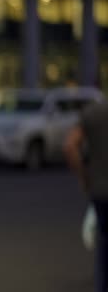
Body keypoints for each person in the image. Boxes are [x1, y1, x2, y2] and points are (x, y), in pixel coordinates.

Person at [64, 100, 108, 292]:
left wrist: (84, 176)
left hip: (100, 191)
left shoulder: (94, 112)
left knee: (105, 244)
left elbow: (70, 146)